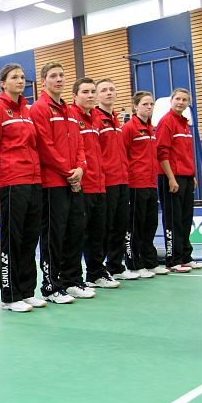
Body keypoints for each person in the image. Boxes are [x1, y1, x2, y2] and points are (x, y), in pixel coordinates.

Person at [0, 63, 46, 313]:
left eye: (22, 77)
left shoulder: (27, 112)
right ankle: (9, 295)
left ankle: (27, 291)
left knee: (30, 238)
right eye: (14, 77)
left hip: (33, 181)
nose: (20, 81)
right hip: (10, 182)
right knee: (12, 239)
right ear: (3, 83)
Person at [29, 62, 91, 304]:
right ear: (43, 81)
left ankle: (72, 280)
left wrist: (80, 169)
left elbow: (80, 146)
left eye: (62, 75)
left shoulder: (70, 111)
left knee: (75, 232)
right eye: (53, 76)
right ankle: (51, 285)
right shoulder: (39, 109)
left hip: (74, 181)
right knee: (54, 236)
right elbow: (45, 147)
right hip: (53, 183)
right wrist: (68, 171)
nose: (59, 79)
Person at [71, 78, 120, 290]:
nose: (90, 95)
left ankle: (96, 273)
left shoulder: (95, 119)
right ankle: (74, 278)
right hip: (83, 185)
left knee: (99, 233)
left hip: (101, 184)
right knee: (79, 234)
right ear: (75, 95)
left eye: (92, 91)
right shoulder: (73, 117)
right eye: (86, 92)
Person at [92, 79, 139, 280]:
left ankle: (115, 266)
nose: (109, 93)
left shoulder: (117, 120)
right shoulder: (95, 118)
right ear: (97, 95)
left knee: (121, 225)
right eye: (104, 90)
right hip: (106, 182)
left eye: (112, 89)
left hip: (122, 180)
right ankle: (97, 270)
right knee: (104, 227)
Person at [155, 88, 202, 273]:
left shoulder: (185, 124)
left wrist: (191, 176)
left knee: (185, 219)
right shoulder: (166, 122)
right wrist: (171, 178)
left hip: (186, 178)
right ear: (172, 100)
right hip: (171, 178)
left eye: (184, 100)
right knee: (173, 219)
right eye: (178, 99)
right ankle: (173, 260)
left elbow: (186, 153)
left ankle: (185, 257)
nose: (181, 102)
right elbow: (162, 152)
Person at [123, 92, 167, 277]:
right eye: (145, 104)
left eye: (151, 104)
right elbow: (123, 155)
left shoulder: (151, 128)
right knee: (135, 225)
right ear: (135, 106)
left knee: (150, 224)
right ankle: (134, 263)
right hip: (135, 184)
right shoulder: (129, 128)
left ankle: (150, 261)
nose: (149, 107)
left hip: (150, 183)